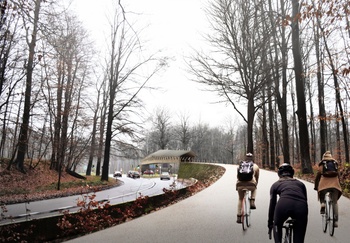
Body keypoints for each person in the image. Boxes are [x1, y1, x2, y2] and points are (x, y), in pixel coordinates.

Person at [268, 163, 308, 243]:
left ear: (279, 174)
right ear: (292, 173)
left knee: (277, 224)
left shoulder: (275, 185)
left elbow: (272, 205)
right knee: (299, 239)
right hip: (300, 206)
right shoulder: (301, 184)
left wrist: (270, 224)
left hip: (283, 205)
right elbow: (305, 201)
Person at [314, 151, 342, 227]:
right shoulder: (335, 163)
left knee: (322, 194)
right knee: (335, 202)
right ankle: (335, 221)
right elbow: (338, 175)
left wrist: (316, 187)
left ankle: (323, 203)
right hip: (335, 184)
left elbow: (318, 176)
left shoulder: (322, 163)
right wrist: (339, 184)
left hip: (324, 184)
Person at [236, 152, 259, 223]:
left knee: (240, 199)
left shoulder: (240, 165)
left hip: (240, 184)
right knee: (255, 188)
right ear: (252, 158)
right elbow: (257, 177)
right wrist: (255, 184)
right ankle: (252, 200)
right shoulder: (255, 166)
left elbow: (237, 176)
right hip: (251, 184)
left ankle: (239, 216)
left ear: (245, 158)